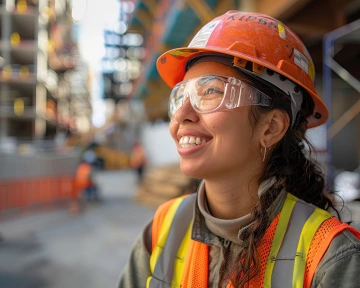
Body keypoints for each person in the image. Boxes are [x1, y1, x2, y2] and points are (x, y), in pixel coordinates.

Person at [118, 10, 360, 288]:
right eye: (181, 96)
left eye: (211, 91)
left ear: (271, 128)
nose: (181, 114)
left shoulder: (330, 257)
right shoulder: (162, 228)